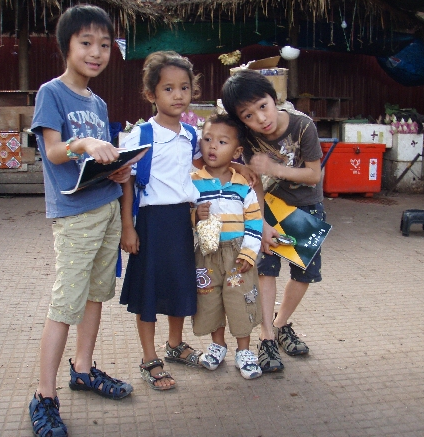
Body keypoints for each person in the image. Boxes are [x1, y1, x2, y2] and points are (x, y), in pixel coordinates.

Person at [28, 5, 132, 437]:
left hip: (106, 205)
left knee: (95, 296)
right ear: (66, 46)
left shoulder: (98, 100)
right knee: (65, 305)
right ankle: (44, 395)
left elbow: (99, 160)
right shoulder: (51, 93)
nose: (96, 53)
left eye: (104, 45)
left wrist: (117, 169)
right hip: (74, 216)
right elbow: (53, 152)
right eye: (86, 43)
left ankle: (84, 369)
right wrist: (85, 142)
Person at [221, 69, 324, 373]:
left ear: (273, 98)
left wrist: (275, 168)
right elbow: (255, 180)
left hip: (306, 208)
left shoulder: (304, 126)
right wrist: (262, 222)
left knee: (304, 274)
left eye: (263, 106)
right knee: (266, 270)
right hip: (271, 205)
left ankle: (280, 325)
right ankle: (266, 337)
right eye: (248, 115)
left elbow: (313, 175)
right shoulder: (250, 136)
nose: (260, 118)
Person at [119, 51, 205, 391]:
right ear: (151, 94)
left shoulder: (191, 134)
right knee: (150, 290)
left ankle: (175, 345)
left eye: (184, 87)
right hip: (151, 222)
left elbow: (203, 170)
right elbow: (126, 181)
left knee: (179, 284)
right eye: (168, 88)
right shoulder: (140, 135)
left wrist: (238, 168)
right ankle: (149, 358)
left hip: (182, 222)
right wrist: (128, 226)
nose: (178, 95)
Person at [191, 113, 264, 380]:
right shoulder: (193, 180)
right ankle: (218, 344)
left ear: (237, 150)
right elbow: (185, 215)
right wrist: (193, 216)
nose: (212, 146)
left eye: (222, 142)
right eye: (207, 139)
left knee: (239, 300)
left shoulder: (243, 184)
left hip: (237, 255)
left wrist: (249, 252)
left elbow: (255, 220)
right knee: (209, 299)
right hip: (206, 255)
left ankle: (244, 351)